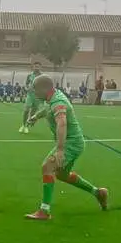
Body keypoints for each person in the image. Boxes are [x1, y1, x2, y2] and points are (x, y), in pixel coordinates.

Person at [25, 74, 109, 221]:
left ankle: (44, 211)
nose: (34, 92)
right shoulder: (51, 97)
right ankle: (98, 193)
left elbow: (62, 123)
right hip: (74, 142)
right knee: (62, 175)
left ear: (45, 89)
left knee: (47, 167)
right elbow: (47, 109)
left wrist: (60, 149)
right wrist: (36, 117)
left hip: (72, 143)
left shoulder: (59, 101)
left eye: (35, 89)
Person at [19, 61, 43, 133]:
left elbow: (44, 85)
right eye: (35, 66)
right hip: (30, 95)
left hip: (37, 97)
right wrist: (27, 88)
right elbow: (26, 84)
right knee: (26, 110)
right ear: (33, 67)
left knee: (33, 113)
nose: (36, 68)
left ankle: (26, 126)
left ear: (40, 67)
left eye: (38, 66)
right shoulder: (29, 75)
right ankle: (23, 125)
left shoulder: (42, 76)